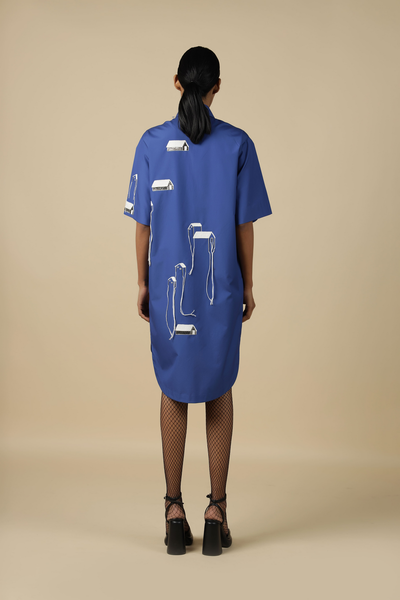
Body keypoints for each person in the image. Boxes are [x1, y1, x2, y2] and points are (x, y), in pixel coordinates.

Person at [123, 47, 272, 556]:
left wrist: (142, 283)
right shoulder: (238, 144)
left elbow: (142, 226)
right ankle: (217, 511)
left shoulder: (151, 142)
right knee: (219, 389)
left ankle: (172, 510)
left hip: (169, 288)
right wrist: (247, 286)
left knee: (173, 388)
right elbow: (244, 226)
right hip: (220, 287)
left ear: (176, 82)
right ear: (217, 87)